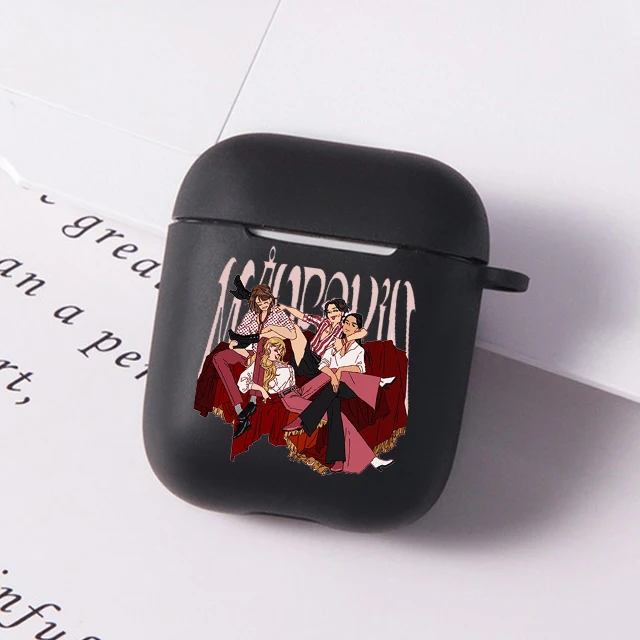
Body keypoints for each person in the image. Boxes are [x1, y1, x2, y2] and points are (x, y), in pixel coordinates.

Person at [285, 313, 396, 472]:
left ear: (357, 329)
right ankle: (339, 459)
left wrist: (339, 371)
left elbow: (359, 369)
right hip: (334, 388)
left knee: (339, 381)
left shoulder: (358, 350)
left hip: (352, 388)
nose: (348, 326)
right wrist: (333, 376)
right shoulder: (333, 345)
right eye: (346, 322)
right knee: (334, 410)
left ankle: (304, 419)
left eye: (352, 324)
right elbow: (323, 365)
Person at [213, 280, 295, 439]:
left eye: (265, 300)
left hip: (268, 351)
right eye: (259, 302)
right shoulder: (252, 314)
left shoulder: (277, 314)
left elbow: (292, 333)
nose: (263, 304)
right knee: (219, 357)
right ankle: (240, 412)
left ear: (270, 298)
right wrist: (235, 343)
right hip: (249, 350)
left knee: (262, 343)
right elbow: (241, 333)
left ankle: (252, 401)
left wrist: (271, 330)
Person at [278, 298, 367, 378]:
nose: (331, 314)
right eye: (329, 312)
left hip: (316, 363)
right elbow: (303, 316)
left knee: (295, 331)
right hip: (305, 354)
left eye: (335, 311)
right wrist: (286, 308)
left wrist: (344, 340)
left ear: (342, 312)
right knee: (293, 328)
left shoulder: (343, 328)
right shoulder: (323, 322)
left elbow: (363, 332)